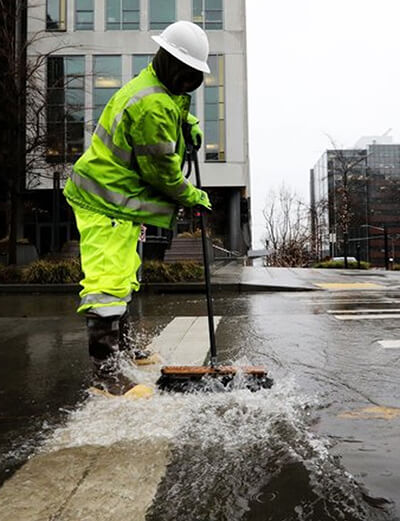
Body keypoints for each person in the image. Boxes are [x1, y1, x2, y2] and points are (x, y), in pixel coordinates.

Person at [63, 21, 211, 393]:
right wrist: (191, 196)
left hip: (116, 199)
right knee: (107, 284)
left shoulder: (153, 82)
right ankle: (106, 375)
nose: (191, 83)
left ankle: (125, 350)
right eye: (190, 75)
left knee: (124, 274)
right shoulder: (152, 104)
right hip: (104, 199)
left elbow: (172, 108)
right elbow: (161, 171)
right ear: (175, 65)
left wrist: (188, 122)